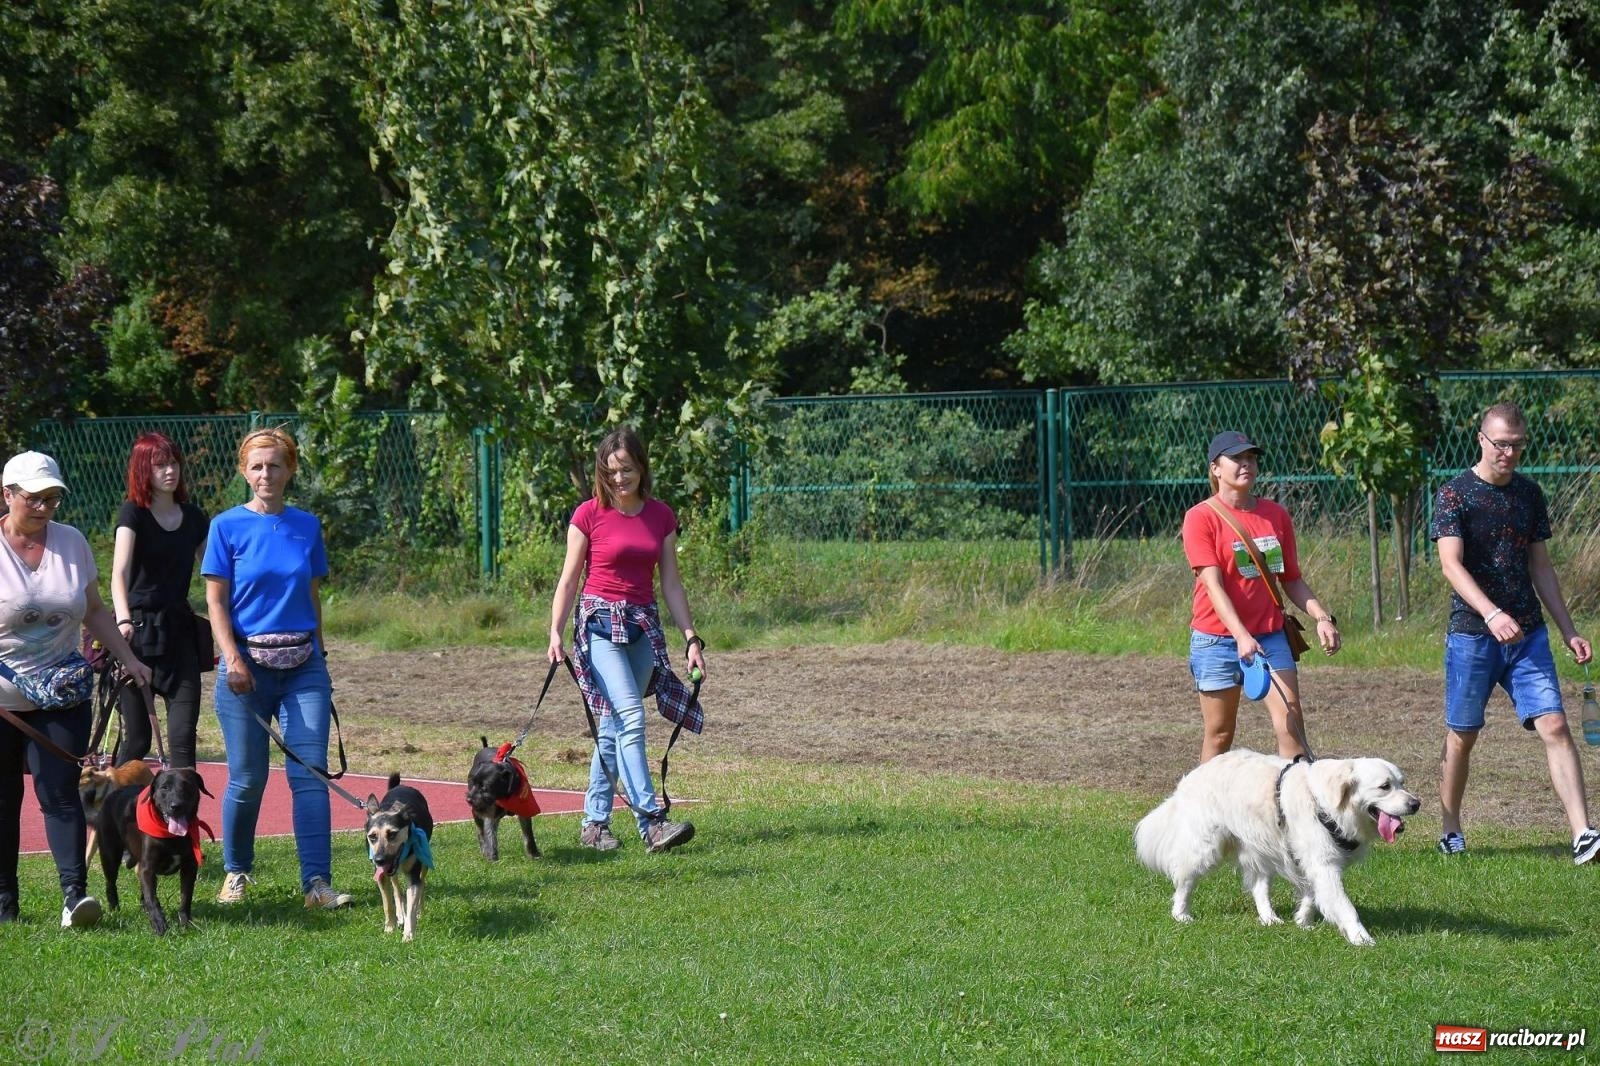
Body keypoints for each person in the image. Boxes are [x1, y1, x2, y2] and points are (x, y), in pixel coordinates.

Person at [1430, 402, 1599, 864]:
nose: (1509, 453)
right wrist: (1489, 613)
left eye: (1518, 445)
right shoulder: (1455, 495)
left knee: (1556, 724)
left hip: (1528, 635)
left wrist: (1568, 630)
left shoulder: (1529, 494)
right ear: (1482, 439)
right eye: (1502, 443)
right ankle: (1450, 829)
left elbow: (1540, 567)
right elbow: (1451, 564)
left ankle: (1583, 833)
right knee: (1462, 735)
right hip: (1473, 634)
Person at [0, 451, 152, 928]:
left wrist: (130, 660)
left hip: (63, 691)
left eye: (53, 498)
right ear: (7, 496)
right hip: (3, 699)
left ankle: (74, 898)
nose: (45, 506)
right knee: (3, 800)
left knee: (61, 794)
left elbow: (92, 609)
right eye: (34, 498)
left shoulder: (71, 542)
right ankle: (5, 905)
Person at [203, 427, 353, 908]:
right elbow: (217, 603)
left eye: (276, 465)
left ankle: (317, 885)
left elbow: (311, 594)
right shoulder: (225, 527)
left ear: (291, 470)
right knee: (248, 779)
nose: (267, 474)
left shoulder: (307, 526)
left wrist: (321, 656)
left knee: (310, 774)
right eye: (257, 466)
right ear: (244, 471)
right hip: (245, 668)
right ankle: (236, 873)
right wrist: (232, 660)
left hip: (304, 664)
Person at [548, 427, 706, 854]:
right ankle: (652, 822)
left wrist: (692, 638)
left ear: (642, 469)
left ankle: (594, 824)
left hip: (642, 628)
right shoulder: (588, 514)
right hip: (600, 626)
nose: (620, 479)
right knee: (632, 718)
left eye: (628, 470)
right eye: (612, 471)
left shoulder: (661, 516)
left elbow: (672, 584)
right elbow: (568, 580)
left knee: (615, 726)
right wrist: (555, 632)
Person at [1181, 431, 1342, 763]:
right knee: (1220, 733)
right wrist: (1241, 636)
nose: (1247, 464)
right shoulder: (1201, 517)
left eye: (1251, 458)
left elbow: (1291, 579)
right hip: (1217, 641)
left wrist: (1322, 617)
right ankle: (1203, 811)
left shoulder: (1275, 515)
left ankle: (1293, 811)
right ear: (1215, 468)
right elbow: (1213, 586)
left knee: (1290, 724)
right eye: (1237, 458)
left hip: (1270, 635)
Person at [110, 432, 210, 768]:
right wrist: (123, 620)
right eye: (160, 465)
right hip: (137, 634)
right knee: (137, 741)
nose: (171, 470)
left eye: (174, 463)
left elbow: (215, 575)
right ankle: (111, 816)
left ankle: (183, 820)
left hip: (180, 634)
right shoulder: (132, 514)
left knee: (183, 742)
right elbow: (119, 575)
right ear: (143, 471)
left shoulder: (195, 517)